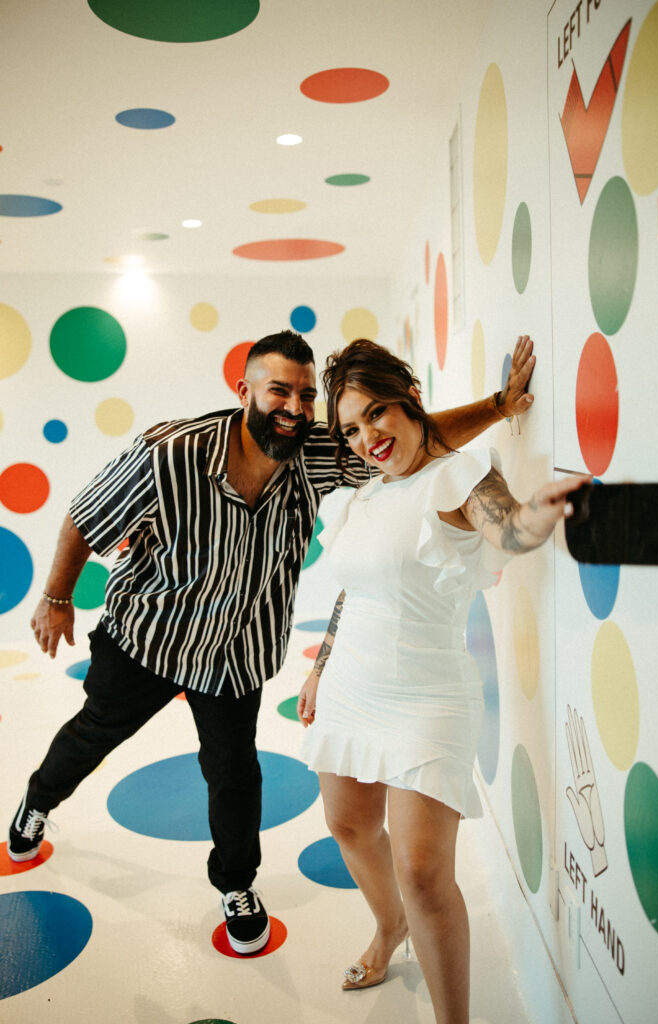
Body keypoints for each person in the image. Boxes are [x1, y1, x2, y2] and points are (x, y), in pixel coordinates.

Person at [8, 329, 535, 957]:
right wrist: (57, 597)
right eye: (279, 390)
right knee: (94, 731)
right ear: (246, 391)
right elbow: (86, 514)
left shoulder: (311, 451)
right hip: (148, 635)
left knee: (233, 775)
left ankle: (235, 886)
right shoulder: (169, 452)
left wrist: (499, 407)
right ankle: (35, 804)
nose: (294, 406)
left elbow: (412, 436)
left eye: (306, 396)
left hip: (235, 652)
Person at [297, 339, 589, 1021]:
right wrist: (318, 667)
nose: (368, 437)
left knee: (424, 873)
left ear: (410, 401)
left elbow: (511, 531)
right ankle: (387, 926)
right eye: (351, 428)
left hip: (426, 696)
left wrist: (539, 511)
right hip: (348, 687)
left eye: (377, 414)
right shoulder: (356, 499)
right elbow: (352, 594)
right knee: (348, 825)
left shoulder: (457, 478)